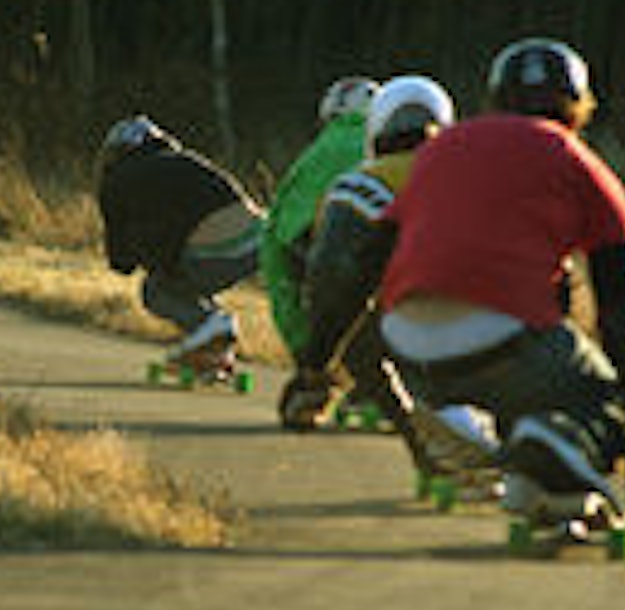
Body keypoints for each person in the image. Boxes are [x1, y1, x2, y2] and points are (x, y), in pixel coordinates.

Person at [372, 38, 625, 530]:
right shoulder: (582, 167)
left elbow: (370, 253)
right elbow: (621, 317)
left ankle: (530, 474)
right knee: (596, 390)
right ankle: (558, 444)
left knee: (538, 342)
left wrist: (328, 363)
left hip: (406, 347)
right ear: (579, 108)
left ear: (495, 100)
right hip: (500, 340)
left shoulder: (440, 149)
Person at [281, 75, 498, 497]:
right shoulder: (479, 177)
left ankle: (433, 446)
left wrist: (314, 366)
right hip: (506, 319)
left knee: (361, 339)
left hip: (417, 320)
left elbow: (333, 280)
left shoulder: (363, 183)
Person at [95, 115, 264, 367]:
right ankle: (214, 348)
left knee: (156, 290)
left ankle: (212, 326)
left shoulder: (117, 180)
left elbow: (121, 261)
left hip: (217, 253)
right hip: (259, 243)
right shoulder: (187, 160)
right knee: (185, 284)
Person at [259, 75, 380, 410]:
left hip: (326, 252)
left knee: (339, 304)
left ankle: (340, 381)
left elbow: (278, 248)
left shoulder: (314, 157)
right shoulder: (422, 147)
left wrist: (305, 353)